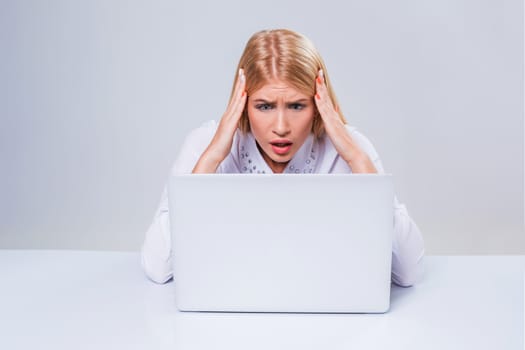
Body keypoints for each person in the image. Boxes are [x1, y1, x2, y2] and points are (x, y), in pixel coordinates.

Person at [141, 29, 425, 287]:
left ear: (317, 104)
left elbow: (408, 271)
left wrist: (356, 158)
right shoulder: (205, 144)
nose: (281, 127)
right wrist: (211, 159)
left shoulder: (351, 148)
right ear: (242, 104)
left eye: (296, 106)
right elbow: (158, 266)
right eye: (264, 106)